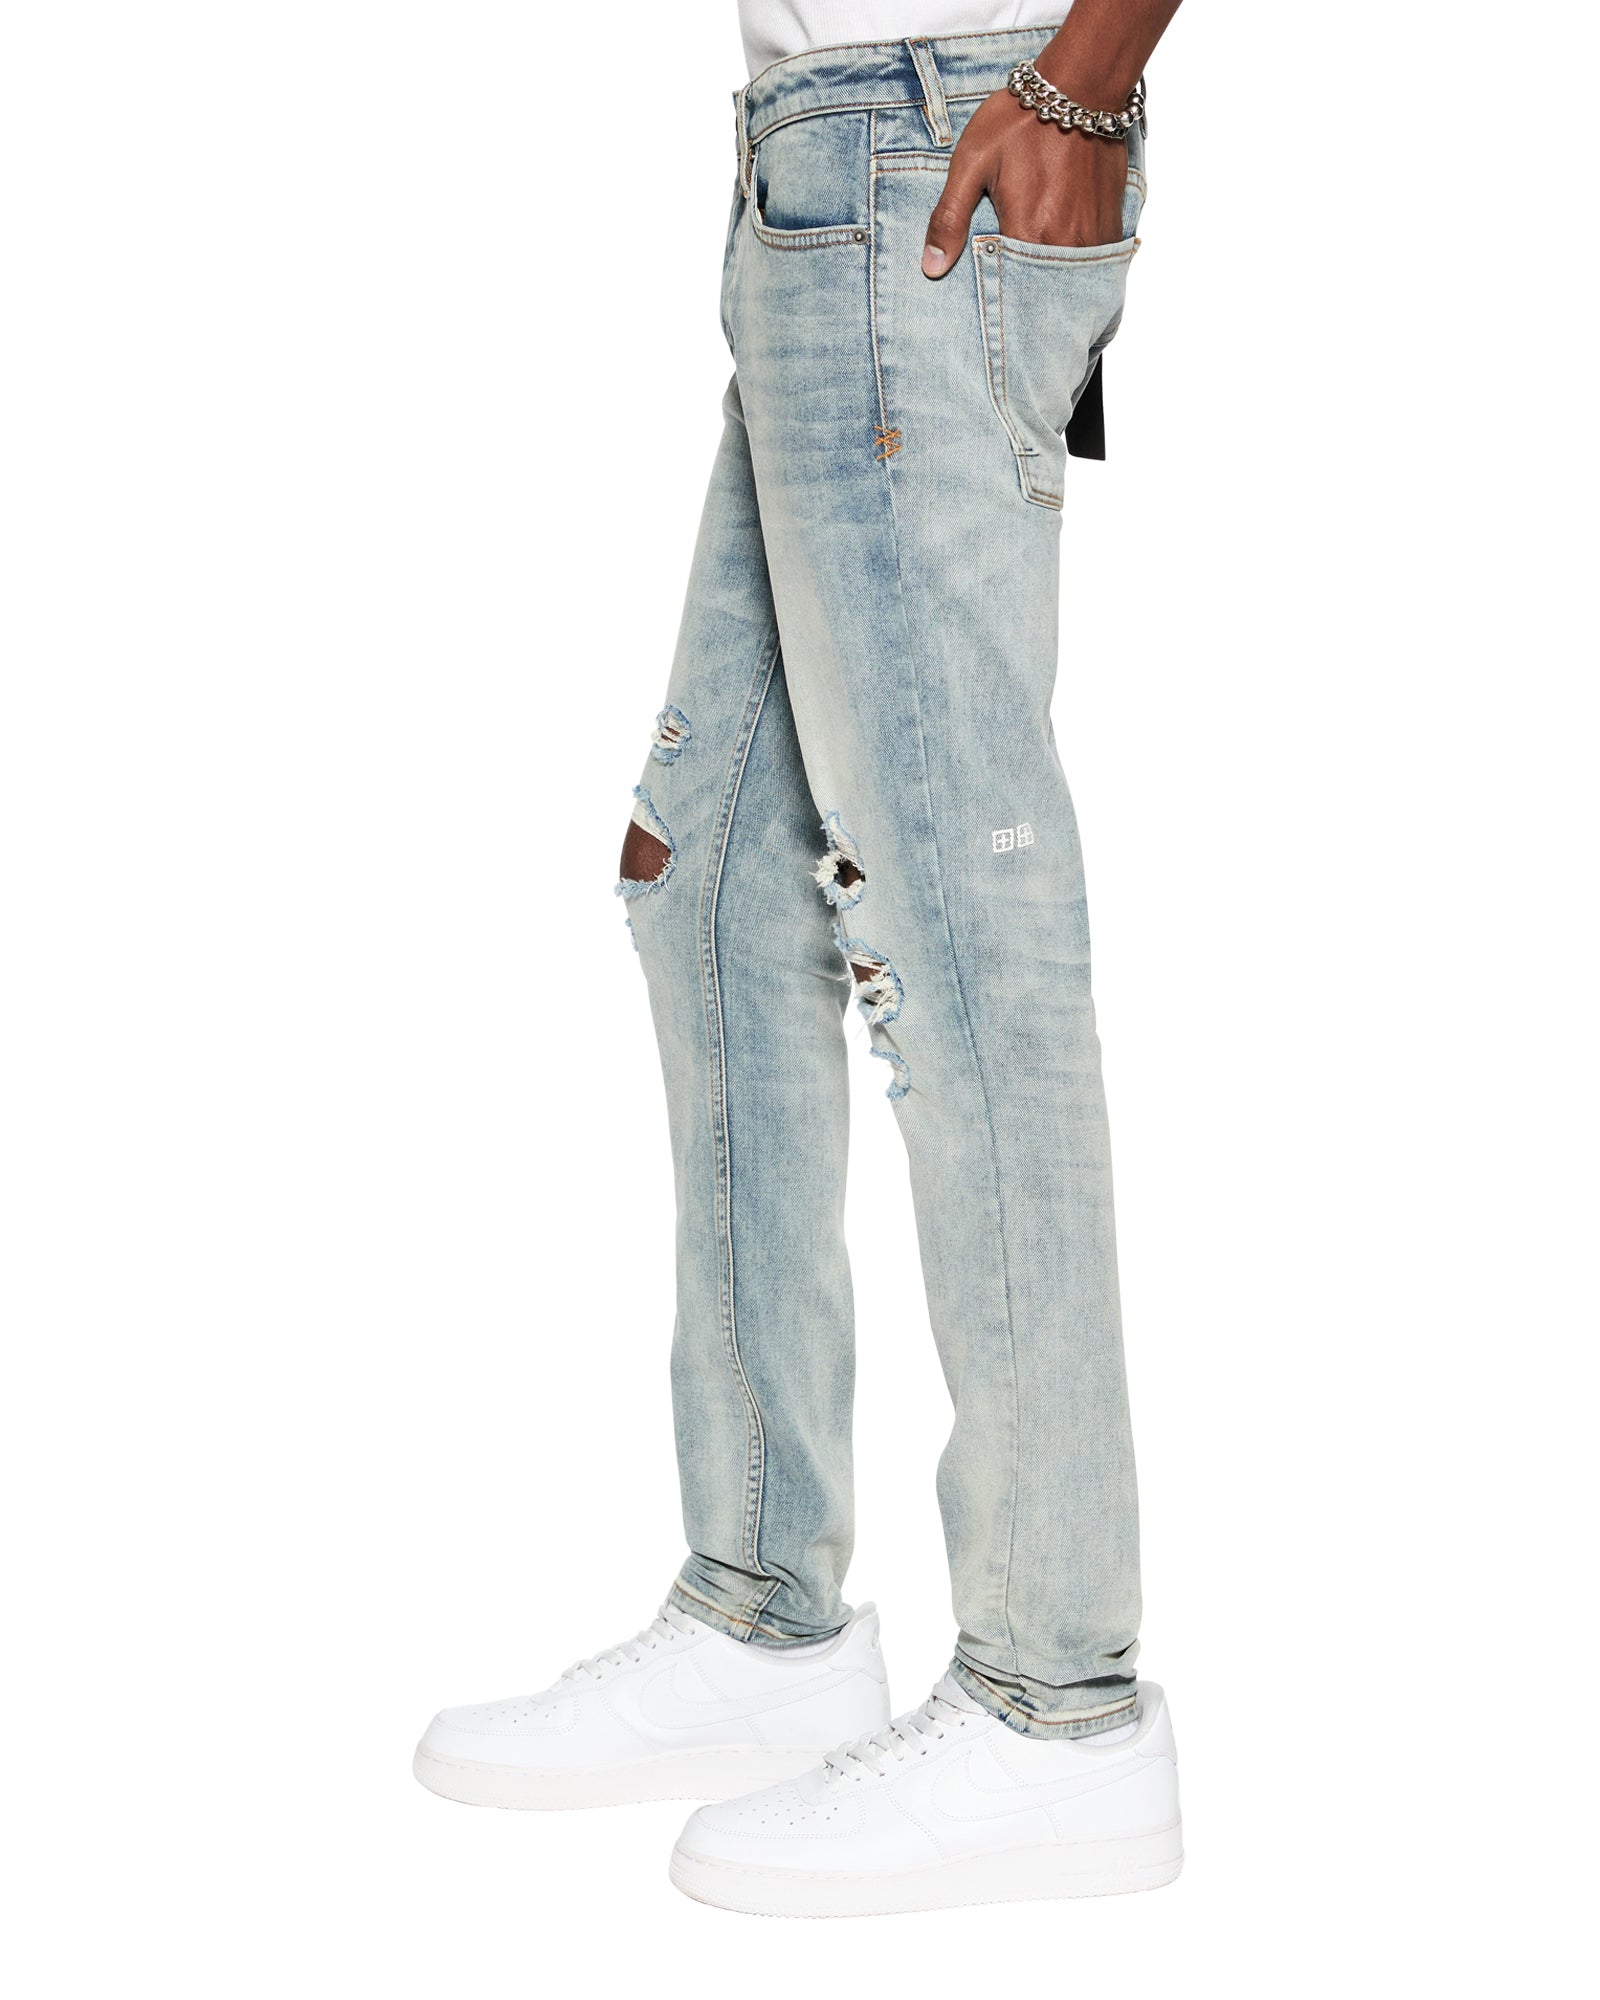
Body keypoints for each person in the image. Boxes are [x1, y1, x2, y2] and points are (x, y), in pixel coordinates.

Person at [416, 0, 1186, 1915]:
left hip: (944, 138)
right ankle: (765, 1608)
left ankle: (1057, 1699)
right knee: (715, 877)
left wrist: (1085, 76)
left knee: (957, 922)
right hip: (822, 160)